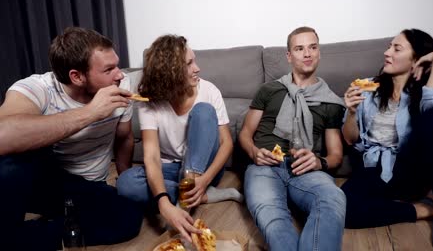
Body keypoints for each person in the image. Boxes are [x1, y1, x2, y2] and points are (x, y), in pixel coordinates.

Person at [0, 27, 143, 250]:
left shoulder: (120, 86)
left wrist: (124, 180)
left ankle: (12, 239)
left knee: (129, 218)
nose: (120, 74)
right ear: (76, 76)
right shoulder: (38, 88)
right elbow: (2, 136)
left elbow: (124, 137)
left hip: (83, 187)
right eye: (109, 69)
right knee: (10, 163)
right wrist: (91, 112)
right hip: (42, 179)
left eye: (117, 64)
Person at [341, 29, 433, 251]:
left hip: (410, 169)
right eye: (389, 46)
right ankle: (425, 210)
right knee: (340, 208)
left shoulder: (426, 93)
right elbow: (350, 140)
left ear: (416, 59)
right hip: (371, 167)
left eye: (396, 48)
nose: (387, 52)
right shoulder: (368, 87)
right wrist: (351, 112)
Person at [116, 34, 243, 242]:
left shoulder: (209, 91)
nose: (197, 68)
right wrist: (163, 202)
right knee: (125, 183)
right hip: (172, 168)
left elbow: (226, 143)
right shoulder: (150, 101)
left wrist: (205, 179)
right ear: (170, 72)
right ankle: (204, 195)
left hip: (205, 169)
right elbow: (152, 157)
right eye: (189, 63)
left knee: (204, 111)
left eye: (195, 61)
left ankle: (186, 202)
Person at [238, 26, 347, 251]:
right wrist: (254, 153)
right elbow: (246, 133)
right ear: (289, 56)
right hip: (265, 167)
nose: (307, 54)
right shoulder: (269, 90)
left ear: (319, 52)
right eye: (299, 48)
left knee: (333, 199)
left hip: (305, 169)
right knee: (272, 215)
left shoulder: (332, 102)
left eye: (312, 47)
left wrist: (319, 162)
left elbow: (336, 155)